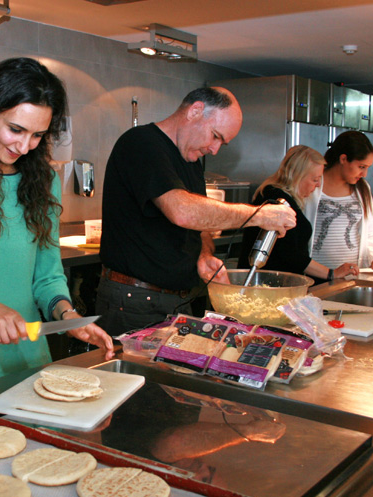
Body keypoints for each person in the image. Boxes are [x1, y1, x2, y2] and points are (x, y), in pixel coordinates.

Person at [0, 57, 114, 387]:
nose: (24, 146)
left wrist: (69, 317)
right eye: (15, 129)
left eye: (37, 135)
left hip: (27, 358)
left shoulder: (43, 181)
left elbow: (47, 275)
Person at [96, 86, 297, 337]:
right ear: (195, 111)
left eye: (222, 142)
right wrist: (259, 215)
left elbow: (198, 227)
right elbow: (181, 211)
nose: (214, 149)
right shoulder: (141, 144)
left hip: (178, 301)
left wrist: (202, 255)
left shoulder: (191, 162)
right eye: (215, 136)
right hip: (134, 301)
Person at [237, 146, 358, 281]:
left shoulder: (279, 196)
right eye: (315, 179)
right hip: (266, 285)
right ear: (297, 175)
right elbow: (292, 255)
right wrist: (331, 274)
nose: (318, 185)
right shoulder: (277, 200)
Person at [305, 130, 373, 272]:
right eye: (361, 167)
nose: (364, 174)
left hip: (351, 275)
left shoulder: (363, 188)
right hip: (316, 274)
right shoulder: (312, 185)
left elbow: (371, 232)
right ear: (343, 159)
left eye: (367, 168)